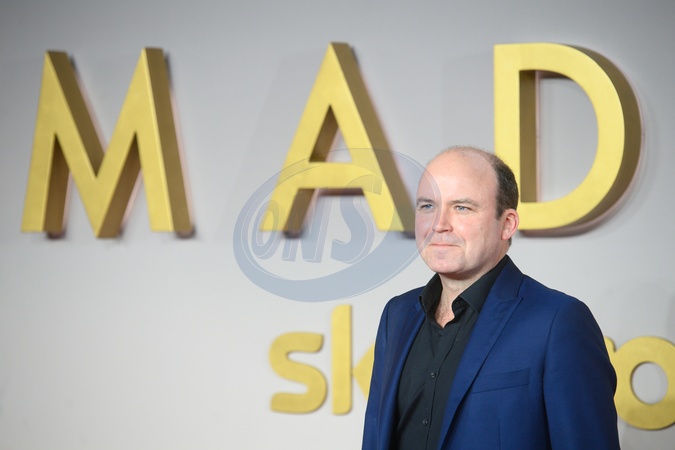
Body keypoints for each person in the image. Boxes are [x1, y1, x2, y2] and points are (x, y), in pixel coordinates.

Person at [362, 146, 619, 450]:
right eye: (428, 206)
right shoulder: (397, 315)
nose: (439, 224)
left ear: (507, 224)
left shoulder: (557, 322)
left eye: (462, 208)